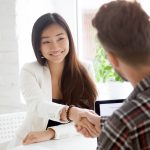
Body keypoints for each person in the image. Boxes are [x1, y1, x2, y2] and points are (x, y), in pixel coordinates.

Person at [9, 13, 99, 147]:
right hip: (30, 143)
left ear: (69, 39)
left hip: (71, 144)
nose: (55, 47)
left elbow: (87, 120)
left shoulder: (86, 69)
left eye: (60, 38)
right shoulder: (29, 70)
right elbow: (38, 105)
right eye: (46, 41)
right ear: (38, 46)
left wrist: (51, 132)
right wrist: (71, 112)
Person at [75, 0, 150, 149]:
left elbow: (129, 123)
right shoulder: (124, 123)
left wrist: (113, 126)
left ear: (112, 59)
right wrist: (104, 123)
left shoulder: (123, 126)